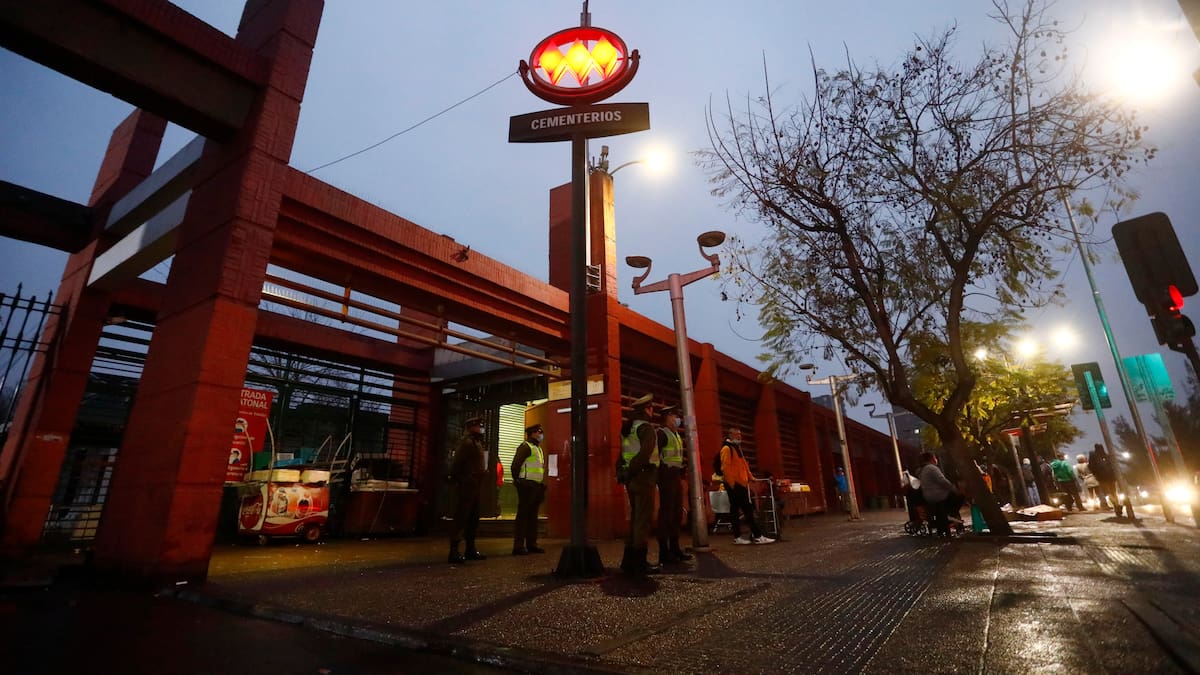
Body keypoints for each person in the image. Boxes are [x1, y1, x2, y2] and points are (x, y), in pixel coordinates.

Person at [619, 394, 662, 575]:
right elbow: (644, 454)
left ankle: (629, 561)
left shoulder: (628, 428)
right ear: (647, 409)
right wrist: (633, 471)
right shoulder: (646, 428)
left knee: (635, 519)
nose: (652, 411)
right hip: (643, 477)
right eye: (651, 408)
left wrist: (625, 473)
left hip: (632, 479)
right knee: (642, 521)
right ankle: (639, 563)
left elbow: (623, 454)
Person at [447, 416, 490, 564]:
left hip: (475, 485)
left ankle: (470, 549)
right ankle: (453, 551)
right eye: (479, 426)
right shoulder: (466, 443)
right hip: (467, 485)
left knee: (473, 518)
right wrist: (462, 479)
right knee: (461, 517)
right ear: (472, 427)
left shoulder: (477, 442)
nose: (481, 428)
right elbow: (457, 464)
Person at [719, 427, 774, 545]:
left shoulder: (736, 448)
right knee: (747, 510)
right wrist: (732, 484)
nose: (740, 436)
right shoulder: (727, 449)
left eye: (740, 434)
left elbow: (743, 465)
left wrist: (750, 477)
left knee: (736, 510)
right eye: (737, 434)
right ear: (731, 435)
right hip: (735, 485)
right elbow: (726, 468)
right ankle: (757, 536)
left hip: (740, 484)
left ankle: (739, 537)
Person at [655, 405, 693, 564]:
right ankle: (664, 552)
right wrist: (662, 474)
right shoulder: (662, 434)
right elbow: (656, 457)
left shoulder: (676, 434)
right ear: (667, 418)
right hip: (666, 477)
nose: (677, 419)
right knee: (667, 514)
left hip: (676, 476)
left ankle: (675, 549)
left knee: (676, 513)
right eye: (674, 416)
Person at [510, 423, 547, 556]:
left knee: (532, 517)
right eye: (538, 432)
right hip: (526, 485)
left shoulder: (538, 448)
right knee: (523, 516)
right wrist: (518, 481)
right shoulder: (525, 447)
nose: (541, 434)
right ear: (532, 433)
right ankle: (518, 546)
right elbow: (515, 465)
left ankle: (532, 544)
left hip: (536, 486)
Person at [917, 451, 963, 537]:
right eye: (935, 457)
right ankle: (951, 514)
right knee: (960, 496)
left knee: (947, 502)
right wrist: (954, 489)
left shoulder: (921, 470)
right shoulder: (932, 468)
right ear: (932, 459)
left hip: (928, 497)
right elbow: (943, 481)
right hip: (939, 496)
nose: (936, 459)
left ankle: (945, 520)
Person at [1088, 443, 1122, 517]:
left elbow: (1091, 467)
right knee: (1114, 492)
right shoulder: (1106, 455)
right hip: (1111, 476)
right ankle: (1117, 506)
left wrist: (1095, 474)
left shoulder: (1093, 456)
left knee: (1107, 492)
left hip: (1102, 477)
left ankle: (1116, 505)